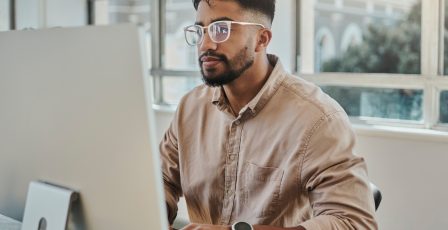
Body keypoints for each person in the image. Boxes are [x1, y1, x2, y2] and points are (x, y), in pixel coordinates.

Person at [160, 0, 378, 229]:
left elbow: (354, 223)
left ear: (261, 39)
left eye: (221, 29)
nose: (205, 44)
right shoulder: (190, 108)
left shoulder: (318, 119)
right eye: (200, 30)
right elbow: (162, 181)